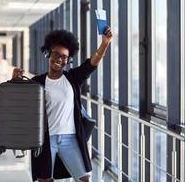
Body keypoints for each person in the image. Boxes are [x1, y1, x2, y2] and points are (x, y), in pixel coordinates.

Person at [12, 27, 112, 182]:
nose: (59, 59)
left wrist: (104, 44)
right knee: (45, 179)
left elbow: (93, 62)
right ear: (48, 54)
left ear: (68, 59)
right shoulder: (37, 82)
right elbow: (20, 101)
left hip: (70, 138)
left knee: (84, 178)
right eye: (55, 54)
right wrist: (15, 81)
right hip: (45, 139)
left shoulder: (72, 78)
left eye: (64, 57)